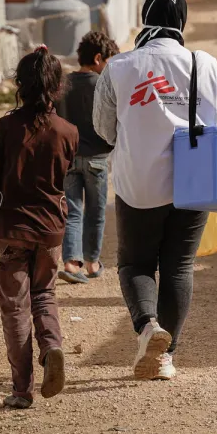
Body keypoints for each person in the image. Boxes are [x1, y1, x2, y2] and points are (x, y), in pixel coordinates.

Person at [93, 0, 217, 381]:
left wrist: (138, 135)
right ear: (181, 21)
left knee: (135, 262)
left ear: (145, 17)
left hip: (139, 182)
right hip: (195, 178)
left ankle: (148, 325)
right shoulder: (206, 63)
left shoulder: (119, 66)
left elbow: (103, 129)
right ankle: (166, 356)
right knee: (179, 266)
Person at [0, 46, 78, 409]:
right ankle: (52, 346)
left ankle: (22, 389)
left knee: (15, 307)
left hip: (10, 229)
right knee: (44, 295)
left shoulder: (6, 127)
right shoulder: (68, 132)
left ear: (19, 85)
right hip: (50, 230)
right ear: (57, 88)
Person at [57, 31, 121, 285]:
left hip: (69, 159)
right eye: (110, 62)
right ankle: (92, 263)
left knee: (72, 211)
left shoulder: (63, 85)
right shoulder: (103, 86)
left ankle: (72, 263)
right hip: (97, 160)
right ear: (98, 58)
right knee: (95, 212)